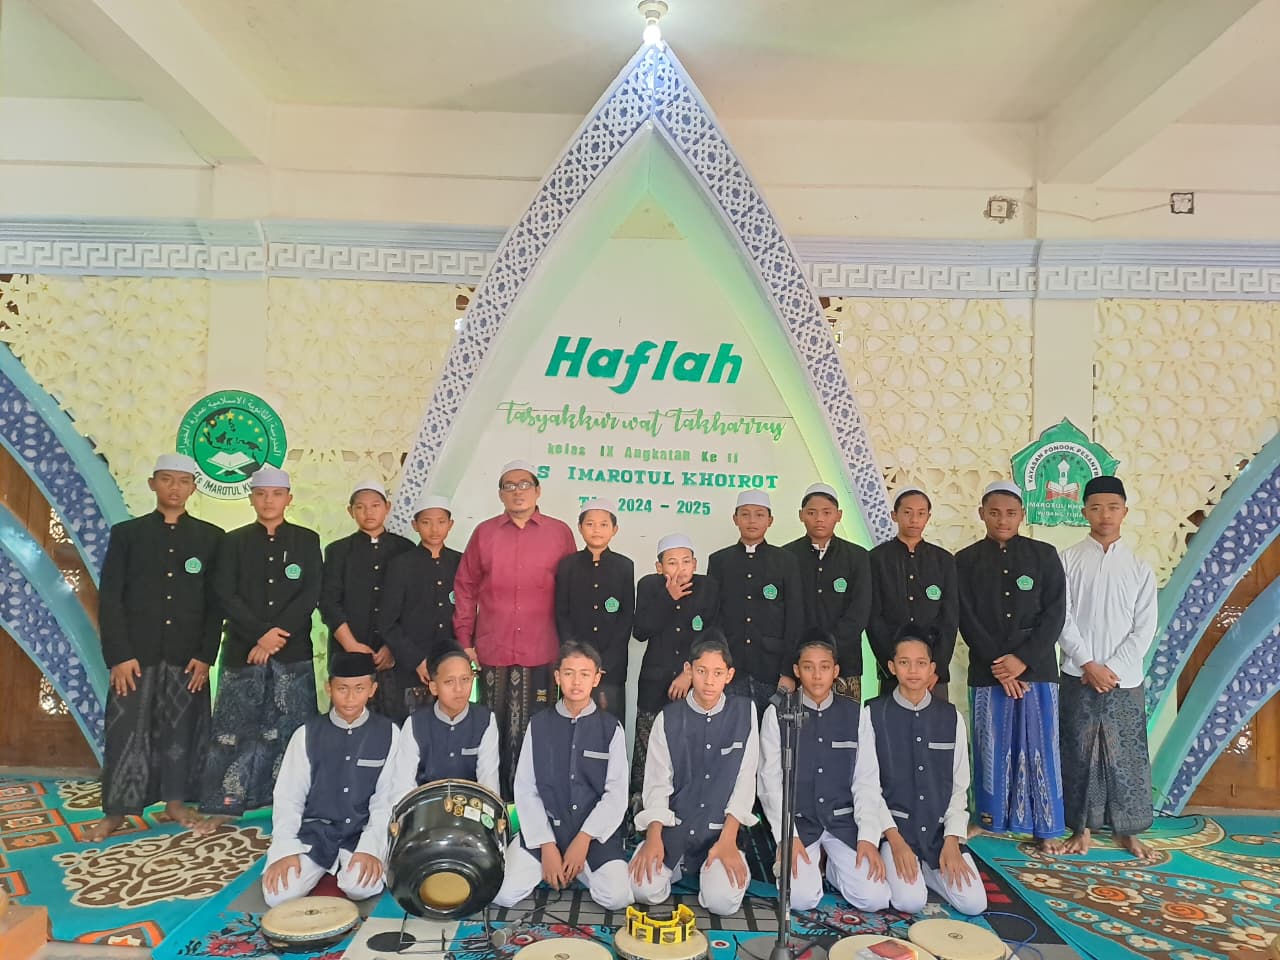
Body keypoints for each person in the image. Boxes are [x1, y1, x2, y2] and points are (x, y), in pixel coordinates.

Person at [89, 454, 224, 840]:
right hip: (136, 655)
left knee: (182, 732)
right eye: (167, 479)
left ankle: (176, 802)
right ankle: (117, 810)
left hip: (187, 656)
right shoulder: (128, 534)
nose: (175, 488)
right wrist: (119, 655)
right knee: (125, 732)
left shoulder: (211, 538)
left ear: (193, 488)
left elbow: (215, 604)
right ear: (153, 484)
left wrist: (205, 655)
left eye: (183, 481)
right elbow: (110, 598)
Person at [197, 466, 323, 832]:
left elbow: (310, 593)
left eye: (276, 494)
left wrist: (275, 635)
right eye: (262, 494)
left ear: (288, 499)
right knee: (234, 731)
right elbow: (224, 593)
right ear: (252, 498)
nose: (269, 501)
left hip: (292, 652)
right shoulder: (233, 542)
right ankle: (226, 805)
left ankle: (292, 804)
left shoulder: (306, 540)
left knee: (291, 732)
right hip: (244, 649)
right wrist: (259, 635)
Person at [452, 460, 576, 797]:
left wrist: (571, 648)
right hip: (493, 649)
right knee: (493, 733)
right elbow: (465, 587)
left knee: (538, 734)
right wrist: (465, 640)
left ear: (538, 491)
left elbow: (572, 589)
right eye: (509, 486)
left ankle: (532, 809)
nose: (517, 492)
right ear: (500, 494)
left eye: (524, 485)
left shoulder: (560, 532)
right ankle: (495, 805)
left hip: (543, 650)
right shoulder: (484, 533)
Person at [955, 480, 1067, 852]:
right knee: (991, 746)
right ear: (982, 514)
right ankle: (989, 818)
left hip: (1037, 670)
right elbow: (966, 617)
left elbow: (1055, 614)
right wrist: (1001, 665)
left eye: (1010, 513)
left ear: (1022, 515)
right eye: (994, 513)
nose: (1002, 520)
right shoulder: (965, 560)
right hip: (988, 671)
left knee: (1040, 746)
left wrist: (1022, 660)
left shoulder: (1044, 555)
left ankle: (1046, 827)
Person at [1056, 476, 1159, 861]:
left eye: (1113, 507)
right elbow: (1061, 617)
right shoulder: (1067, 560)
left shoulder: (1139, 567)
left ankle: (1126, 832)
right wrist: (1087, 663)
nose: (1105, 515)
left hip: (1123, 678)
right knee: (1079, 752)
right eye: (1096, 508)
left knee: (1124, 756)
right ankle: (1080, 829)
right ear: (1084, 511)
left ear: (1124, 512)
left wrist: (1110, 668)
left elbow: (1144, 628)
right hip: (1078, 673)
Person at [854, 627, 987, 915]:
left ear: (932, 669)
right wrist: (895, 841)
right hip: (896, 832)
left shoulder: (951, 717)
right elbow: (868, 786)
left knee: (975, 903)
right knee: (909, 901)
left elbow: (959, 788)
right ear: (892, 667)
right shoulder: (872, 714)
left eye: (921, 663)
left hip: (938, 835)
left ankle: (927, 871)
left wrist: (952, 840)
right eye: (904, 662)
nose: (913, 671)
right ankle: (912, 870)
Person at [494, 642, 631, 910]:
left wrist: (584, 839)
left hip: (592, 836)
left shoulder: (610, 728)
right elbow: (526, 789)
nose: (576, 682)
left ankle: (574, 868)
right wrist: (546, 845)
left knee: (617, 897)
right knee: (503, 894)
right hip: (545, 830)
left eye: (584, 674)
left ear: (596, 678)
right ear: (557, 677)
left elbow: (616, 794)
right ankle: (556, 867)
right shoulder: (539, 725)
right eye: (568, 673)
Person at [630, 636, 759, 916]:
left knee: (722, 902)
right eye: (701, 671)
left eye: (718, 673)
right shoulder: (668, 718)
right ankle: (681, 868)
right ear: (688, 670)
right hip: (675, 830)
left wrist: (728, 840)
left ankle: (710, 873)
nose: (709, 681)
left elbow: (745, 782)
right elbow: (657, 784)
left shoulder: (744, 713)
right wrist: (653, 837)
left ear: (729, 675)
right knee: (641, 889)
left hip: (720, 833)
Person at [261, 652, 400, 907]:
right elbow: (288, 798)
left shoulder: (389, 733)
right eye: (342, 688)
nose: (350, 697)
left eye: (359, 688)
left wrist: (370, 849)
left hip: (360, 833)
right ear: (329, 688)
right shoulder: (306, 734)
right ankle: (318, 864)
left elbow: (386, 800)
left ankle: (350, 862)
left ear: (372, 689)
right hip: (316, 833)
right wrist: (286, 850)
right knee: (278, 895)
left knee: (360, 887)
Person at [757, 631, 883, 911]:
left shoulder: (856, 714)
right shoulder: (777, 714)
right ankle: (806, 864)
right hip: (799, 823)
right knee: (801, 899)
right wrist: (787, 836)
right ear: (796, 670)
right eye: (808, 667)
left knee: (874, 897)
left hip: (842, 822)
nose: (817, 676)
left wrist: (867, 838)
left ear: (835, 671)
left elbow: (866, 780)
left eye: (824, 667)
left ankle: (836, 869)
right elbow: (769, 782)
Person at [631, 533, 720, 803]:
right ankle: (642, 806)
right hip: (655, 681)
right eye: (672, 562)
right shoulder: (649, 586)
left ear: (695, 564)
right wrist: (668, 598)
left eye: (686, 561)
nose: (680, 568)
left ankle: (685, 806)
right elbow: (641, 631)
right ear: (659, 567)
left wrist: (689, 673)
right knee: (647, 748)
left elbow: (712, 636)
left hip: (694, 683)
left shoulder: (708, 587)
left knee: (689, 749)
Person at [321, 481, 416, 721]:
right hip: (348, 652)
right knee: (349, 720)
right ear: (350, 511)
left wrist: (393, 647)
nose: (368, 512)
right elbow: (329, 603)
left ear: (387, 507)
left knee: (396, 721)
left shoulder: (405, 549)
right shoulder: (337, 551)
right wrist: (351, 645)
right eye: (360, 507)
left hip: (393, 657)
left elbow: (412, 605)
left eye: (375, 505)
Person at [708, 491, 803, 714]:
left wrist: (788, 671)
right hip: (731, 668)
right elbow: (713, 616)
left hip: (772, 669)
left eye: (759, 515)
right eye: (745, 514)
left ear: (770, 520)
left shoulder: (786, 561)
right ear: (735, 519)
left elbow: (795, 618)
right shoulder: (719, 561)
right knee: (734, 729)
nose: (752, 520)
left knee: (772, 730)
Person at [868, 487, 958, 700]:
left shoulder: (944, 560)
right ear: (894, 515)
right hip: (893, 671)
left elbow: (950, 618)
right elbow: (873, 618)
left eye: (920, 513)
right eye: (907, 512)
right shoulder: (876, 559)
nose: (914, 519)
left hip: (933, 674)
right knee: (889, 720)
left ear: (928, 516)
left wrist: (935, 667)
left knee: (936, 720)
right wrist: (894, 665)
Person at [783, 483, 871, 701]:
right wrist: (806, 652)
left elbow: (859, 611)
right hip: (799, 663)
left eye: (826, 512)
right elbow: (784, 612)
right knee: (798, 721)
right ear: (801, 515)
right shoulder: (785, 557)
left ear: (838, 515)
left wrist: (829, 648)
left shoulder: (857, 557)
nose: (819, 519)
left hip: (845, 663)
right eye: (812, 513)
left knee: (845, 719)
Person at [379, 493, 462, 714]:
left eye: (441, 522)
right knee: (413, 724)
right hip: (411, 665)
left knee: (452, 720)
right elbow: (387, 622)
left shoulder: (461, 562)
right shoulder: (400, 565)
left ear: (450, 524)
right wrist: (416, 660)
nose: (434, 529)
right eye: (426, 522)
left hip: (452, 662)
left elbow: (469, 614)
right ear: (415, 525)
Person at [554, 499, 635, 722]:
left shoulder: (624, 566)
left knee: (608, 720)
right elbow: (562, 613)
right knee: (572, 717)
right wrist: (573, 654)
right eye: (590, 524)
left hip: (611, 665)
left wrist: (608, 660)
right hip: (574, 664)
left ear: (614, 529)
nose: (596, 530)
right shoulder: (567, 565)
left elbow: (626, 617)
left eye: (603, 524)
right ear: (580, 528)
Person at [389, 646, 500, 799]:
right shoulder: (415, 724)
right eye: (449, 682)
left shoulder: (485, 721)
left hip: (471, 809)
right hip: (425, 809)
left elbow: (489, 784)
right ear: (434, 687)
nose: (459, 689)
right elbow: (403, 786)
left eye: (465, 679)